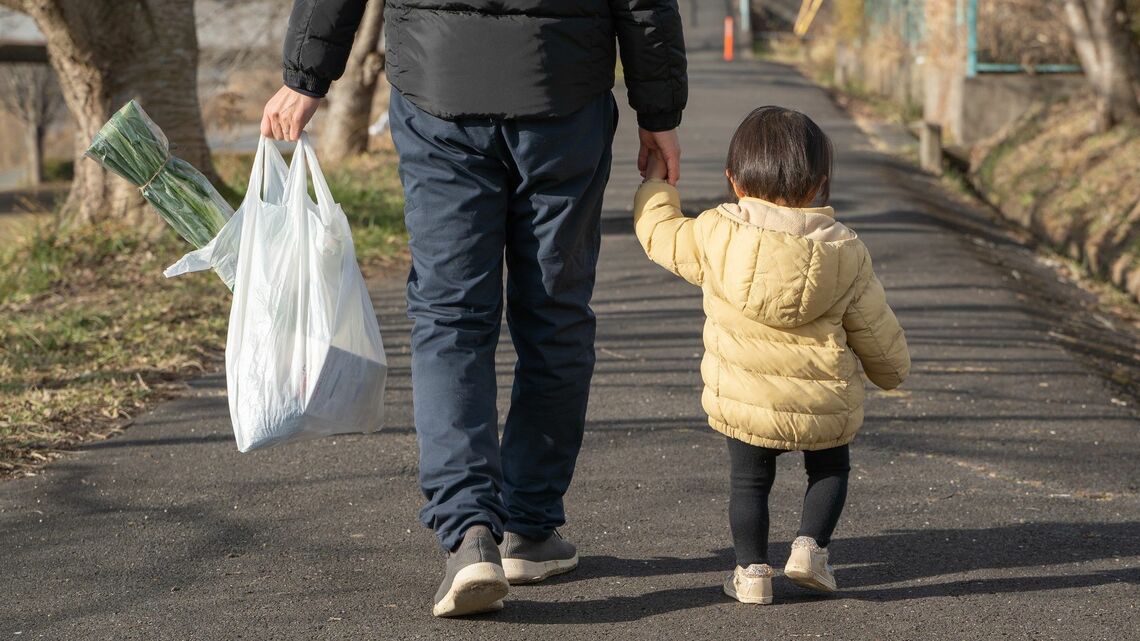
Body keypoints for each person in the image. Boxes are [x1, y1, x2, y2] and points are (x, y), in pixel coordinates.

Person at [261, 0, 687, 617]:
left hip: (439, 88)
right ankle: (530, 529)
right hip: (562, 91)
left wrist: (306, 76)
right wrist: (659, 111)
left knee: (450, 315)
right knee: (555, 313)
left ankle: (469, 535)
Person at [633, 106, 910, 605]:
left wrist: (657, 182)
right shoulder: (846, 251)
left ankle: (752, 573)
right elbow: (875, 328)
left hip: (746, 401)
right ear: (820, 184)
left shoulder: (715, 234)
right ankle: (811, 551)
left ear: (734, 180)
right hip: (823, 400)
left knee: (749, 482)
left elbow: (659, 232)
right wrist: (892, 372)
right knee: (830, 470)